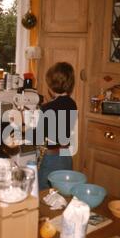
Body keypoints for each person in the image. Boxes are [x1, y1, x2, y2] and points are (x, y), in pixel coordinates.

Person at [33, 62, 78, 190]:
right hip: (66, 155)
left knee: (45, 193)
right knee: (63, 190)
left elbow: (38, 137)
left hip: (51, 158)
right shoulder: (72, 104)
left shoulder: (47, 108)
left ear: (51, 86)